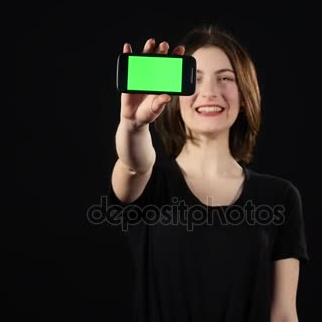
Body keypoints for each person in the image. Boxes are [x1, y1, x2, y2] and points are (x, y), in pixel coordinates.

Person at [105, 24, 309, 322]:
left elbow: (283, 314)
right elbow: (134, 164)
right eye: (195, 79)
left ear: (244, 94)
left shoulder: (280, 197)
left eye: (225, 78)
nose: (210, 92)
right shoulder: (151, 182)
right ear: (174, 94)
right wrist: (133, 126)